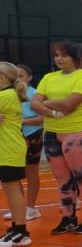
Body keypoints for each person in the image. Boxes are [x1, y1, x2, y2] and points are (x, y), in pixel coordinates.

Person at [32, 41, 82, 235]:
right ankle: (68, 217)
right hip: (51, 132)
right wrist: (54, 112)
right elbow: (34, 104)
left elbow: (70, 104)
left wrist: (46, 103)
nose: (59, 59)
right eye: (56, 55)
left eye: (64, 55)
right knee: (62, 179)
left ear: (75, 57)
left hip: (76, 133)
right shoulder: (49, 77)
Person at [0, 63, 33, 247]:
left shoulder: (5, 96)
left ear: (2, 78)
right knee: (11, 189)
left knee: (13, 190)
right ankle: (17, 228)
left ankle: (21, 232)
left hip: (9, 148)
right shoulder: (8, 94)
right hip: (8, 148)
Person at [11, 65, 42, 222]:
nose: (18, 79)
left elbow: (43, 117)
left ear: (29, 78)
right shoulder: (9, 93)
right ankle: (20, 208)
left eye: (21, 76)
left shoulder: (35, 94)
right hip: (13, 136)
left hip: (32, 135)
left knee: (31, 172)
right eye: (15, 76)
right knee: (14, 172)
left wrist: (23, 121)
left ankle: (31, 207)